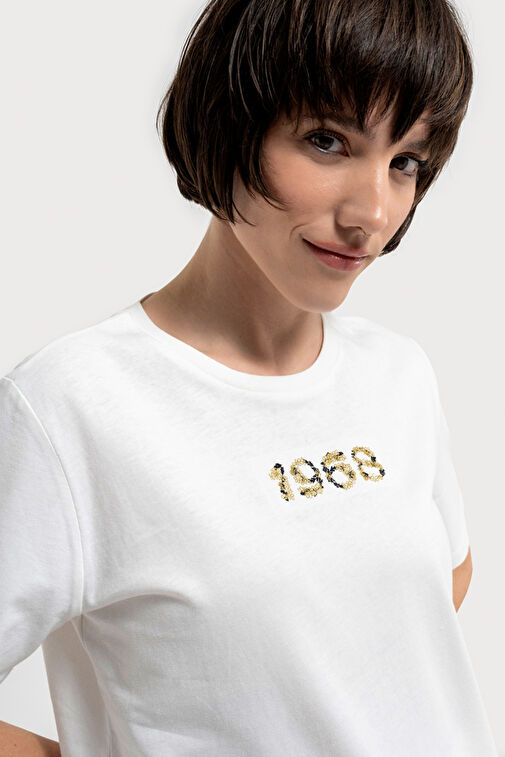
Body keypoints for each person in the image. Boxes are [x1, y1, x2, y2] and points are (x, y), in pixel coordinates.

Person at [0, 0, 499, 754]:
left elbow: (439, 588)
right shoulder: (70, 407)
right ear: (231, 123)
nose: (372, 212)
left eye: (405, 161)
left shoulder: (397, 373)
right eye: (327, 141)